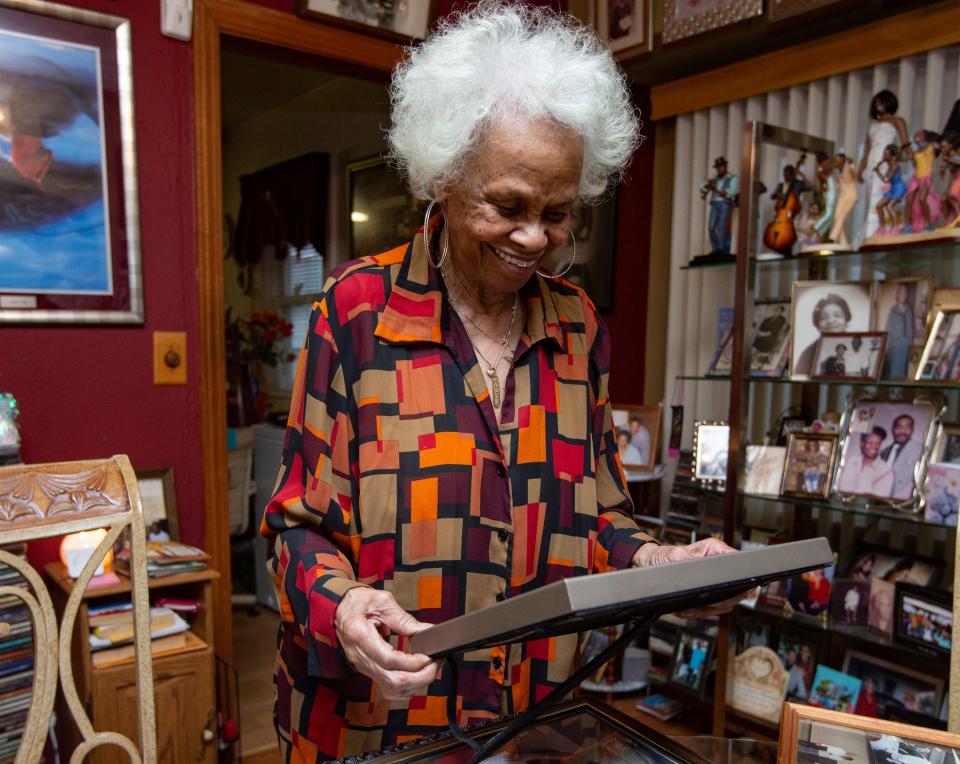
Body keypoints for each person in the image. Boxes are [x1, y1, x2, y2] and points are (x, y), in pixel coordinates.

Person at [259, 6, 741, 759]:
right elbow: (296, 528)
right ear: (445, 175)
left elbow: (601, 514)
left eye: (558, 214)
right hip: (379, 730)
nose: (534, 240)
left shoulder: (575, 324)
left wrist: (655, 563)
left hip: (535, 723)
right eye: (508, 206)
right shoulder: (357, 312)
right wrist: (344, 605)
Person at [856, 89, 910, 244]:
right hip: (872, 164)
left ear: (889, 102)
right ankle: (870, 233)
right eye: (876, 102)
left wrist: (911, 155)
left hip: (886, 162)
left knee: (882, 196)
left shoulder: (897, 120)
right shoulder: (872, 125)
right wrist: (859, 172)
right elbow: (866, 152)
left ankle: (884, 231)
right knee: (870, 199)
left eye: (881, 101)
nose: (878, 105)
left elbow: (905, 143)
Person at [795, 293, 853, 376]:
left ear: (846, 321)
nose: (830, 321)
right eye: (824, 318)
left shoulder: (857, 343)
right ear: (817, 324)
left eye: (837, 316)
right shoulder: (809, 352)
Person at [836, 426, 894, 497]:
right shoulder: (850, 462)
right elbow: (837, 487)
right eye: (870, 443)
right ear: (862, 444)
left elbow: (877, 500)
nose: (874, 447)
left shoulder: (886, 471)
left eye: (877, 443)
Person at [700, 156, 739, 255]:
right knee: (711, 227)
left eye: (721, 167)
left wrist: (715, 189)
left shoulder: (733, 178)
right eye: (717, 167)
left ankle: (722, 249)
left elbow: (732, 192)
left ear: (725, 166)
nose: (719, 169)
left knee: (722, 226)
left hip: (725, 203)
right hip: (714, 203)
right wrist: (707, 186)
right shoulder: (714, 178)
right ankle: (716, 248)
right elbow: (702, 188)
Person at [879, 414, 923, 500]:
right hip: (878, 499)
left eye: (907, 427)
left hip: (904, 502)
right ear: (893, 429)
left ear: (912, 430)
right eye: (899, 427)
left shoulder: (921, 451)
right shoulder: (883, 452)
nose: (902, 431)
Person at [884, 284, 915, 378]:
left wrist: (910, 343)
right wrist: (887, 347)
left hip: (905, 346)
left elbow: (911, 328)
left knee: (904, 372)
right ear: (897, 295)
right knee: (894, 371)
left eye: (905, 293)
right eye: (901, 293)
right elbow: (888, 329)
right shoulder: (893, 311)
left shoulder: (909, 310)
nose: (903, 295)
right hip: (894, 346)